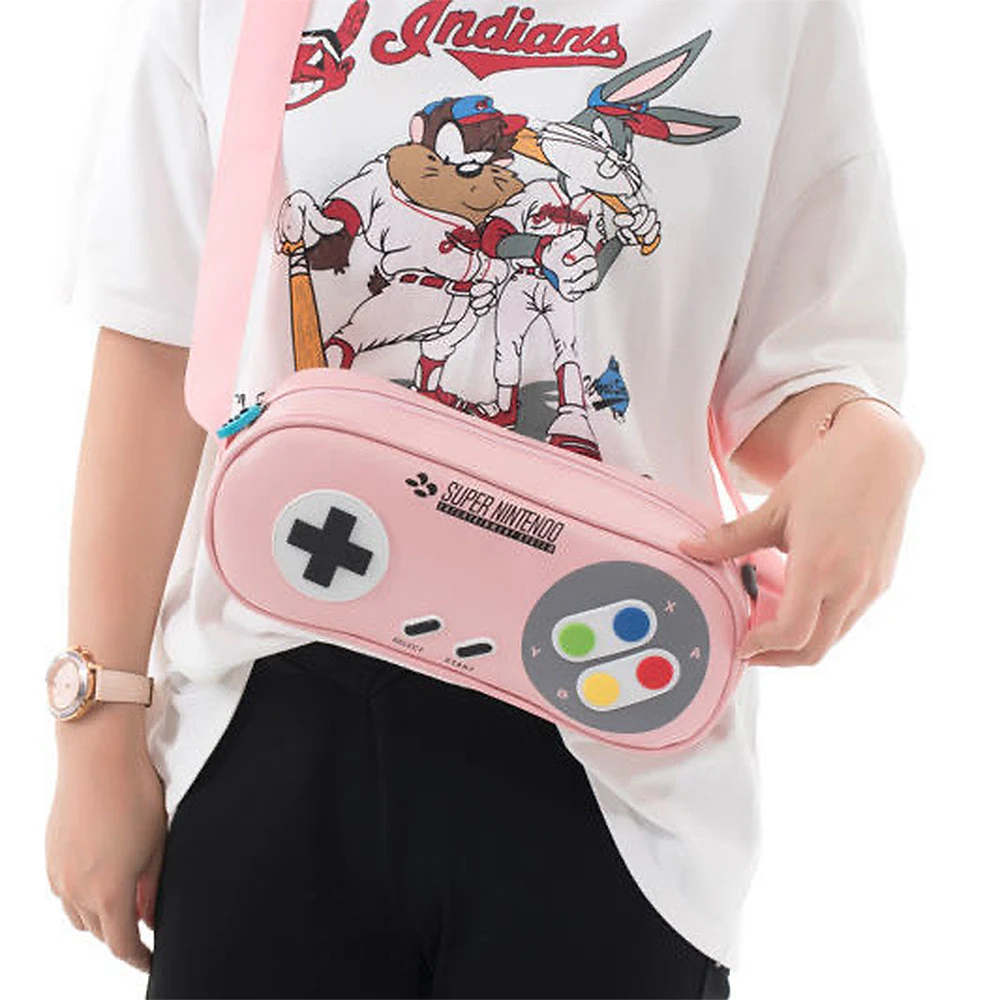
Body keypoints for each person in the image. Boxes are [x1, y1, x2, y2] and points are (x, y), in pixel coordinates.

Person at [45, 1, 925, 997]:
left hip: (611, 740)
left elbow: (795, 371)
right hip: (270, 699)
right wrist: (96, 727)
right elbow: (159, 340)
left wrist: (864, 438)